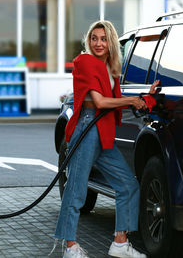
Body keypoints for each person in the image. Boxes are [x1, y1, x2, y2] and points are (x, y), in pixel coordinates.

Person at [53, 20, 159, 258]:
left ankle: (120, 242)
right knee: (76, 190)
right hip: (86, 130)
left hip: (103, 133)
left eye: (103, 39)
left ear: (111, 42)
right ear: (88, 41)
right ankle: (69, 246)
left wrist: (145, 96)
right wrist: (132, 101)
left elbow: (116, 99)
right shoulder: (85, 62)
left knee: (128, 185)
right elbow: (100, 103)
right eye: (94, 38)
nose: (98, 43)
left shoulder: (111, 70)